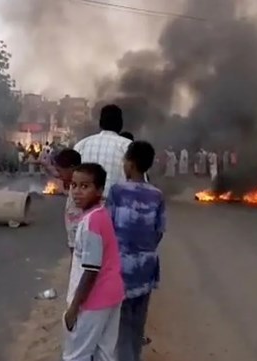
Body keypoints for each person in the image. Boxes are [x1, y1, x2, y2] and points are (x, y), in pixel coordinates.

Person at [106, 141, 165, 361]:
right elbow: (159, 231)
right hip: (146, 267)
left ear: (129, 164)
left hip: (120, 268)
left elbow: (108, 228)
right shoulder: (157, 195)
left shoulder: (117, 191)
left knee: (121, 325)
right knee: (138, 323)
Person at [63, 163, 124, 361]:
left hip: (93, 300)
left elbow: (91, 270)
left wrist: (74, 308)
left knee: (76, 355)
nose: (77, 192)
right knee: (104, 353)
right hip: (112, 295)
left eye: (85, 186)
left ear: (99, 190)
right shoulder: (100, 214)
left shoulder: (91, 222)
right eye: (74, 185)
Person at [74, 104, 132, 196]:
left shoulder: (81, 145)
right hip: (116, 206)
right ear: (120, 123)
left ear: (100, 123)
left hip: (85, 207)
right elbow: (139, 183)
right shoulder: (128, 146)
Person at [42, 148, 83, 255]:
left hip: (80, 242)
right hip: (73, 240)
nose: (59, 175)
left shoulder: (82, 190)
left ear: (72, 168)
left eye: (60, 171)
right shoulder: (72, 184)